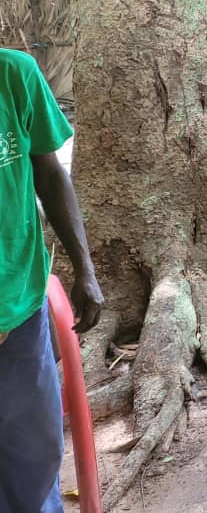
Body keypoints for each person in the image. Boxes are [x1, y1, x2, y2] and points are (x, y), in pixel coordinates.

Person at [0, 48, 105, 513]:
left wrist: (85, 268)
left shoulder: (14, 74)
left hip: (19, 309)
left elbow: (49, 172)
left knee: (35, 465)